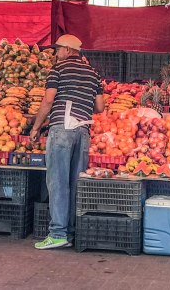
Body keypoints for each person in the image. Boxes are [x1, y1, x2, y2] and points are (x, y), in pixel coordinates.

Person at [29, 34, 104, 250]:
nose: (56, 53)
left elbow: (48, 100)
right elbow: (100, 107)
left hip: (62, 129)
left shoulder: (58, 69)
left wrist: (36, 127)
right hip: (83, 131)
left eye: (58, 49)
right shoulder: (93, 73)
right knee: (74, 184)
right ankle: (69, 233)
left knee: (57, 182)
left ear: (68, 50)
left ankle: (57, 233)